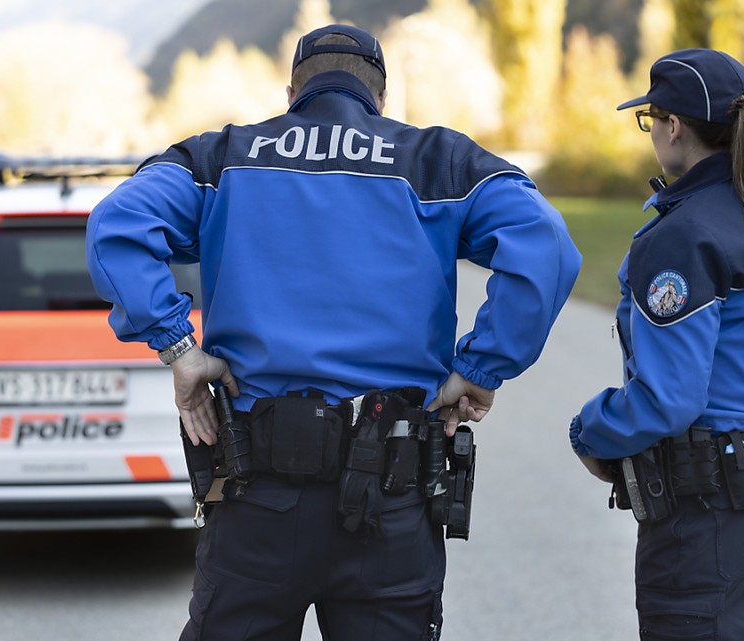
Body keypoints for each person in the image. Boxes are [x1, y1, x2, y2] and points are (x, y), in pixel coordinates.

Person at [86, 23, 581, 641]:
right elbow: (547, 248)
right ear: (381, 99)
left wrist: (177, 346)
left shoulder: (223, 156)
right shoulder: (441, 161)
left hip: (258, 499)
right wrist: (479, 368)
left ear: (292, 90)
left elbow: (116, 224)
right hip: (393, 499)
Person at [569, 48, 744, 641]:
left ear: (672, 126)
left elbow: (669, 400)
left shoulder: (682, 236)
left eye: (650, 119)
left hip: (707, 510)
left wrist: (589, 429)